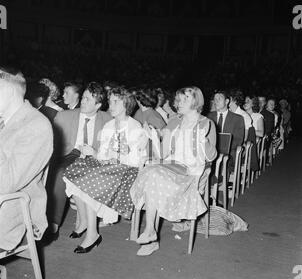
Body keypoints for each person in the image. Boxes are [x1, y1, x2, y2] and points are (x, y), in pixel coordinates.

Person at [130, 86, 217, 256]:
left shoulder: (207, 123)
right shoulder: (174, 122)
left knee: (152, 175)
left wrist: (203, 140)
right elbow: (163, 154)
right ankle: (150, 233)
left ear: (196, 101)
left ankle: (151, 236)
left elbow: (211, 156)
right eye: (179, 99)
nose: (179, 103)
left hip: (191, 173)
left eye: (185, 99)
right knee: (151, 173)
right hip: (171, 167)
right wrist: (153, 136)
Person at [63, 86, 148, 254]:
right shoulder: (109, 125)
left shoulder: (134, 127)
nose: (111, 104)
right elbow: (102, 155)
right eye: (110, 101)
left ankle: (93, 235)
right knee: (74, 171)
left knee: (91, 180)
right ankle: (85, 222)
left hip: (126, 171)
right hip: (109, 167)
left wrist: (112, 158)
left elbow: (136, 160)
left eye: (116, 101)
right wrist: (93, 153)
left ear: (126, 104)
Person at [46, 82, 112, 236]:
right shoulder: (64, 116)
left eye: (88, 99)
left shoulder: (107, 119)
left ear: (98, 105)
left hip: (94, 157)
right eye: (83, 98)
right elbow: (52, 142)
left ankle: (85, 223)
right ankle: (54, 223)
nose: (82, 101)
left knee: (85, 174)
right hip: (70, 153)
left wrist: (95, 153)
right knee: (60, 172)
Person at [0, 66, 53, 251]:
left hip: (11, 217)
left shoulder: (36, 125)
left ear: (8, 90)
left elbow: (4, 184)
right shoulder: (3, 121)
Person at [208, 90, 245, 169]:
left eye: (219, 99)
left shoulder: (238, 119)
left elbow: (238, 140)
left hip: (228, 154)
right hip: (210, 153)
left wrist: (221, 150)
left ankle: (220, 179)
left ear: (227, 101)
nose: (216, 101)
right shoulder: (208, 117)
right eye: (215, 99)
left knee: (223, 161)